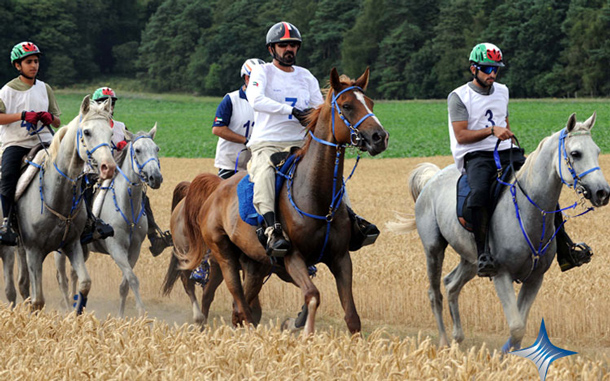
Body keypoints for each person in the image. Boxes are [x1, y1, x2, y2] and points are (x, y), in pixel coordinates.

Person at [448, 42, 591, 277]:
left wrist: (506, 136)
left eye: (496, 69)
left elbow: (505, 123)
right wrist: (492, 131)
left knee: (542, 187)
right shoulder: (458, 97)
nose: (492, 74)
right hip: (476, 155)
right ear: (473, 68)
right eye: (487, 68)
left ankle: (565, 249)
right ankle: (483, 254)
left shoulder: (502, 91)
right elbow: (462, 136)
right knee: (479, 194)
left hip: (506, 151)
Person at [246, 21, 379, 256]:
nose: (289, 49)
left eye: (293, 45)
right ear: (271, 49)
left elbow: (321, 108)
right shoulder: (262, 72)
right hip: (268, 142)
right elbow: (255, 99)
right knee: (265, 173)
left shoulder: (305, 76)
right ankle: (271, 229)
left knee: (330, 172)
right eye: (283, 45)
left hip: (300, 143)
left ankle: (350, 216)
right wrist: (291, 111)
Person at [82, 87, 172, 256]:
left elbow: (129, 153)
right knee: (86, 193)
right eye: (102, 102)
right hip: (94, 171)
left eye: (111, 102)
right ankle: (86, 229)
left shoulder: (120, 127)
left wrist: (125, 147)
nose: (108, 105)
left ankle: (154, 236)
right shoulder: (90, 124)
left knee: (142, 197)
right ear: (96, 104)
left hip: (117, 172)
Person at [0, 41, 61, 245]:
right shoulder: (7, 90)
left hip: (45, 141)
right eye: (28, 62)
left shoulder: (45, 88)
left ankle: (89, 221)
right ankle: (7, 222)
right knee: (8, 175)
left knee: (77, 169)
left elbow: (58, 120)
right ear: (18, 65)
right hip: (17, 142)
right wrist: (23, 115)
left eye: (36, 61)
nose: (34, 65)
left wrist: (48, 118)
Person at [212, 58, 264, 179]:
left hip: (257, 162)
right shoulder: (231, 99)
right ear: (247, 78)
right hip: (230, 163)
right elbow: (218, 129)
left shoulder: (267, 102)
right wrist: (246, 140)